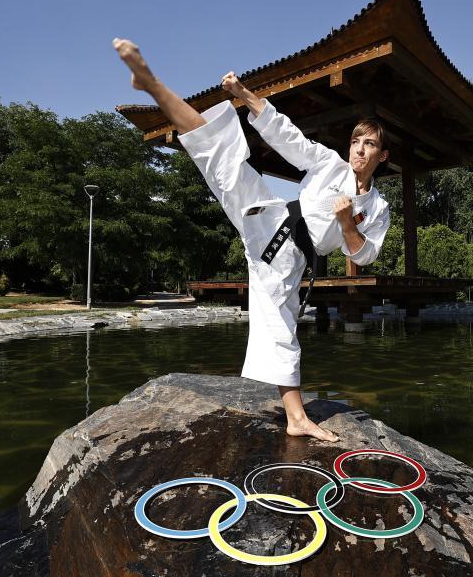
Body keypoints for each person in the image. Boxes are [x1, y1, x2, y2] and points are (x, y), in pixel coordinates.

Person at [113, 38, 390, 442]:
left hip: (292, 261)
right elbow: (287, 137)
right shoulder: (330, 164)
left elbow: (363, 256)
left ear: (382, 156)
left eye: (369, 144)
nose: (359, 149)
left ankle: (296, 417)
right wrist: (245, 96)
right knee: (218, 152)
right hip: (270, 220)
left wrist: (348, 223)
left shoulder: (378, 209)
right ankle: (152, 84)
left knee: (281, 328)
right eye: (355, 140)